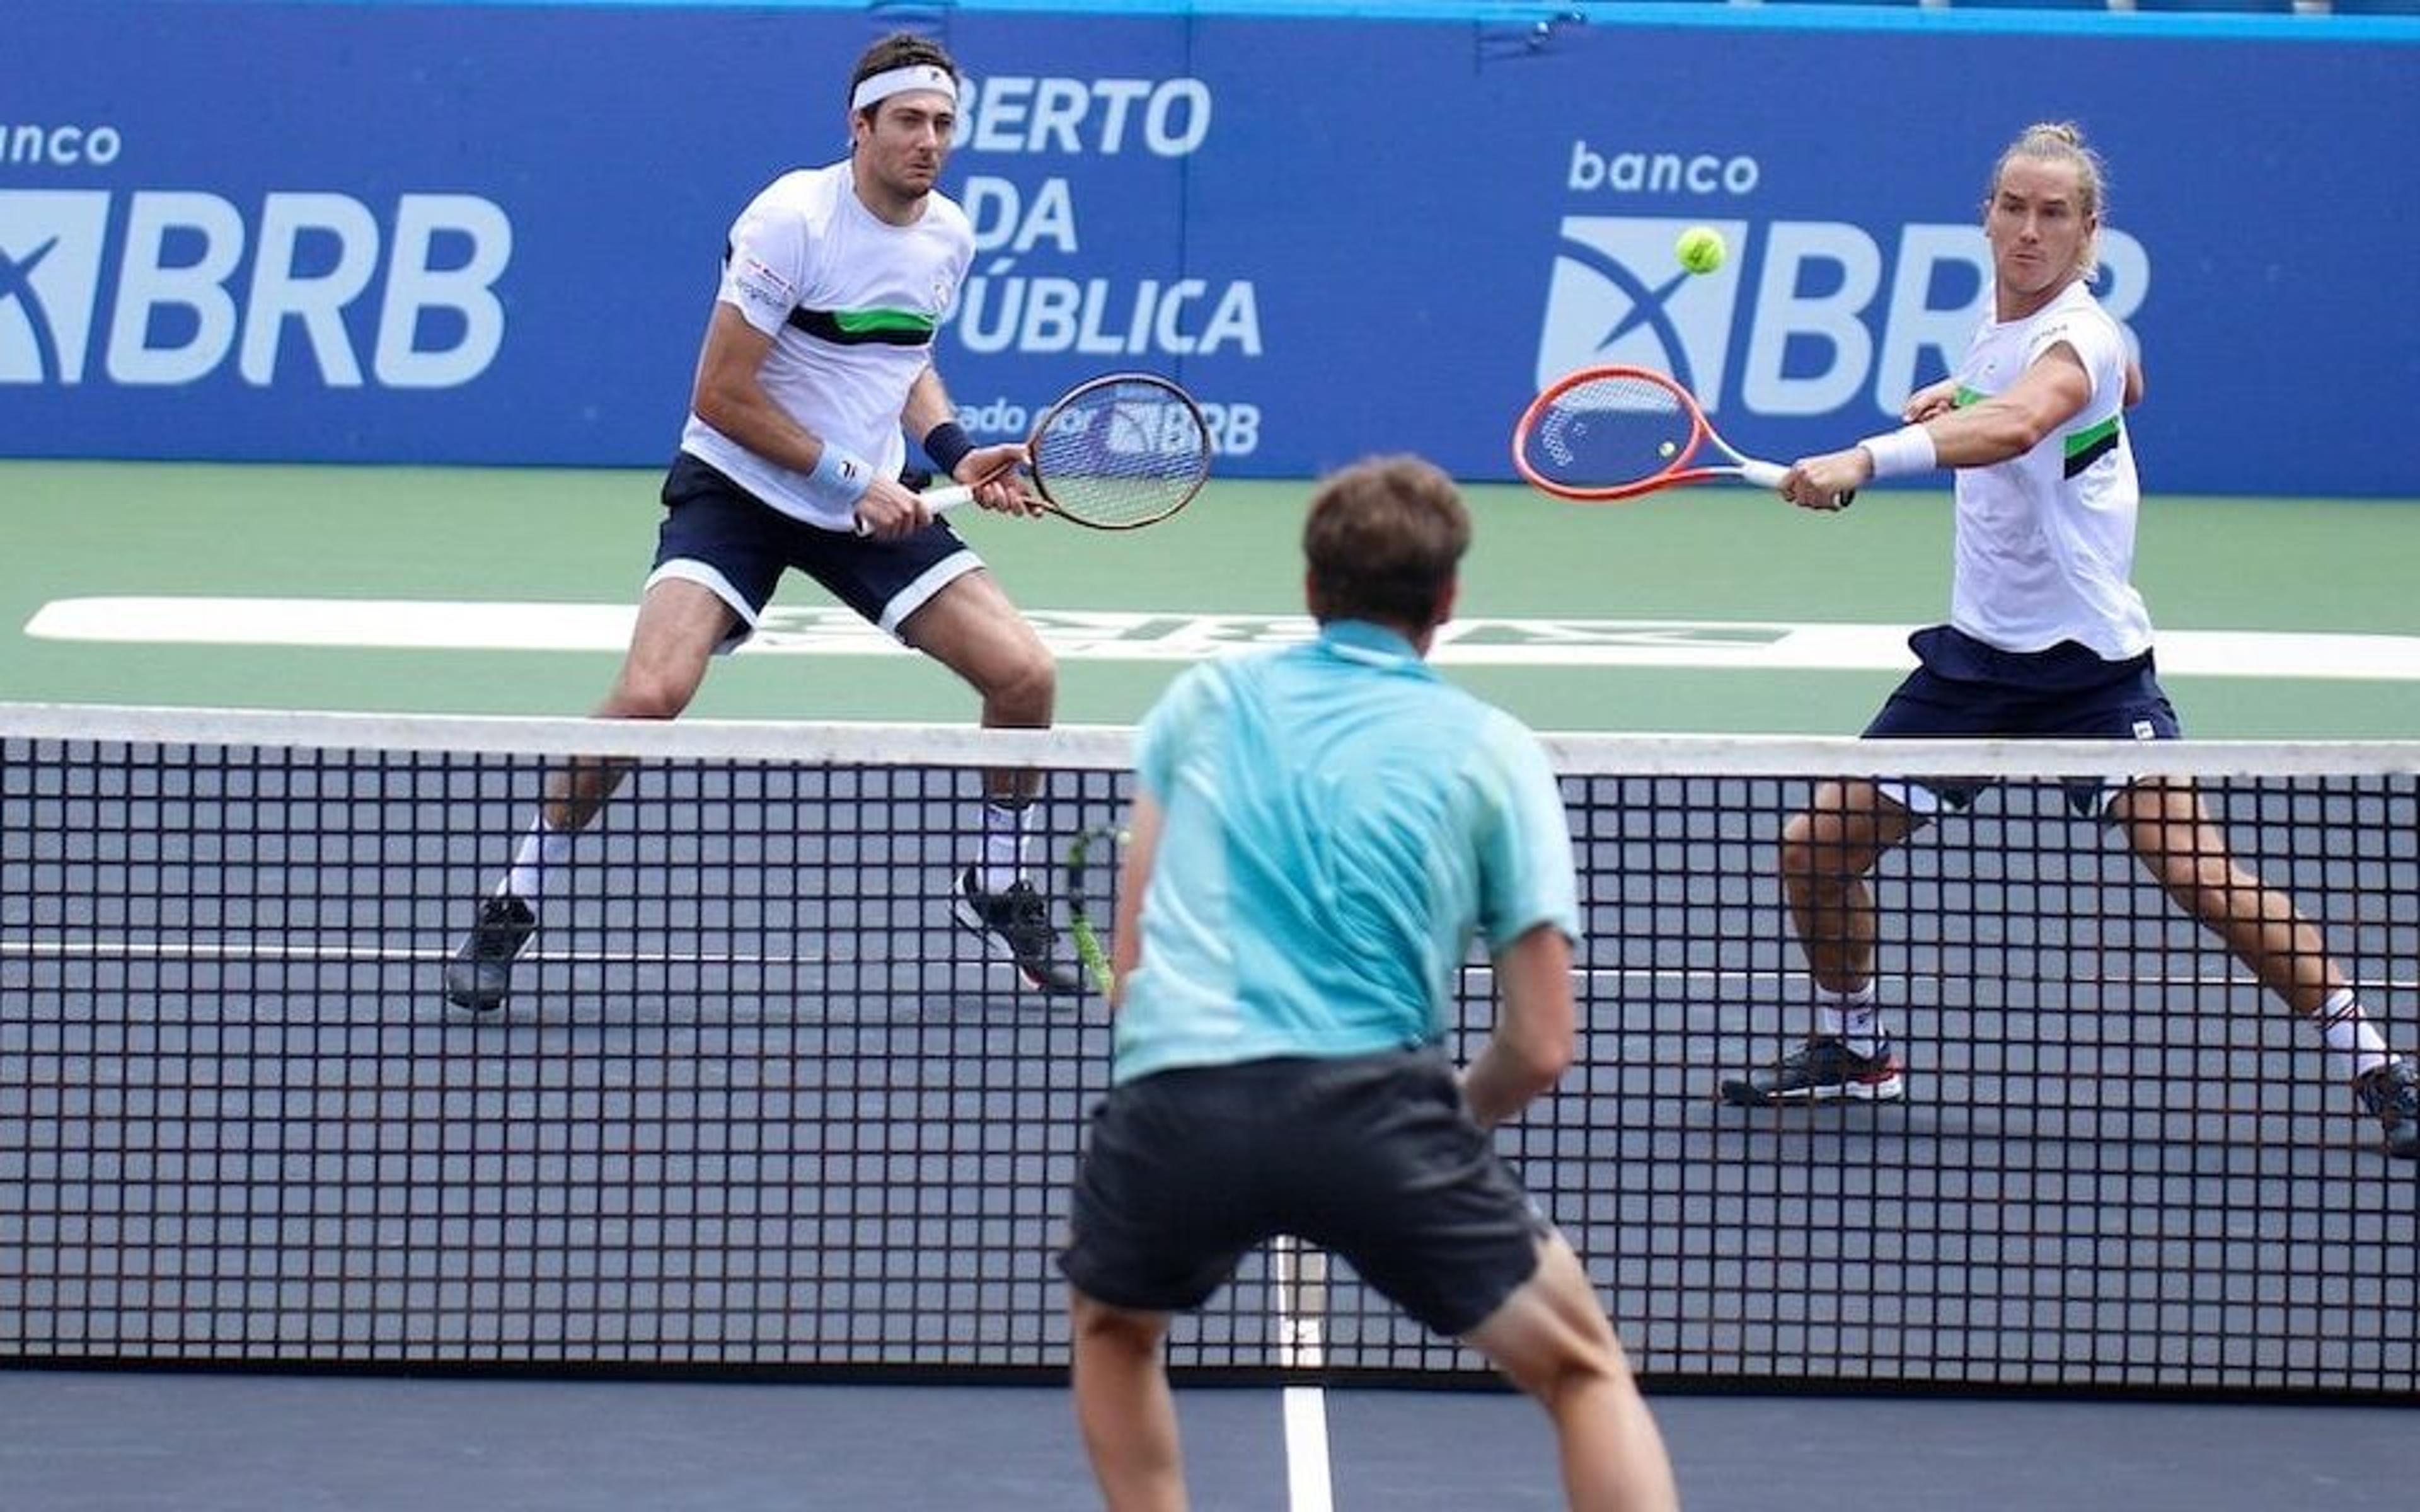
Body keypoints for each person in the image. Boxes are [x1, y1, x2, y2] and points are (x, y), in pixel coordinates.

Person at [1718, 122, 2417, 1160]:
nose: (2029, 230)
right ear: (1988, 216)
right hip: (1972, 668)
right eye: (2014, 206)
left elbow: (2021, 424)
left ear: (2090, 232)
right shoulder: (2017, 333)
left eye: (2055, 214)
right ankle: (1857, 1048)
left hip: (2091, 672)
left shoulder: (2076, 336)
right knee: (1814, 852)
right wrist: (1966, 391)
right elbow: (2117, 387)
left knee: (2199, 876)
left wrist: (1868, 456)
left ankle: (2380, 1067)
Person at [1059, 456, 1680, 1511]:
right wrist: (1450, 1119)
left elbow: (1134, 976)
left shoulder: (1200, 703)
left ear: (1311, 590)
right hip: (1376, 1115)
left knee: (1114, 1331)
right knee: (1581, 1369)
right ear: (1447, 602)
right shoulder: (1495, 752)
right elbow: (1539, 1046)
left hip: (1180, 1104)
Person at [444, 32, 1081, 1010]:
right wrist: (847, 478)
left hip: (859, 502)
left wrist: (953, 453)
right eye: (909, 120)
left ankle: (996, 883)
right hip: (739, 489)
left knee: (1025, 675)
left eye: (945, 123)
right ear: (859, 126)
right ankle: (516, 897)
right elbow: (722, 393)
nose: (930, 141)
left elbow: (899, 357)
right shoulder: (789, 222)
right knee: (654, 693)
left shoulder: (948, 233)